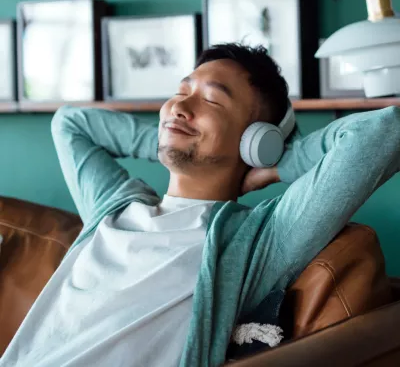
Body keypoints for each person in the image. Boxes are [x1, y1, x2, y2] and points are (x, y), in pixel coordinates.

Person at [1, 43, 400, 367]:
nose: (179, 106)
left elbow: (385, 131)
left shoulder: (256, 240)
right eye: (181, 90)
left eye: (211, 100)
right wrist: (168, 138)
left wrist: (279, 162)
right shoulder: (114, 207)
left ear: (256, 139)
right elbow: (69, 123)